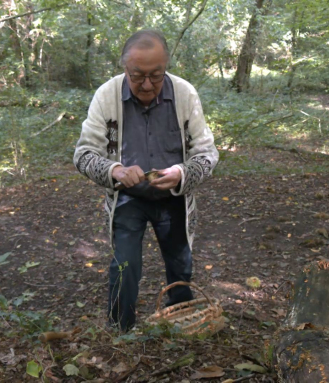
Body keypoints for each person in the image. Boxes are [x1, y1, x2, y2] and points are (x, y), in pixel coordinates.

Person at [73, 30, 219, 331]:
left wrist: (181, 173)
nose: (148, 84)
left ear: (166, 66)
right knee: (124, 265)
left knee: (181, 266)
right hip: (128, 197)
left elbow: (207, 154)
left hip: (174, 198)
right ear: (125, 67)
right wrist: (115, 171)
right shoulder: (107, 95)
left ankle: (183, 324)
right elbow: (84, 155)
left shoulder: (184, 94)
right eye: (137, 76)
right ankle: (120, 330)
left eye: (156, 75)